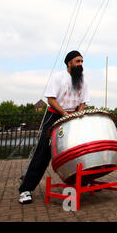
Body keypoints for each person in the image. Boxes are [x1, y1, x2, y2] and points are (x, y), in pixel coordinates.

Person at [18, 50, 90, 204]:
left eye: (82, 61)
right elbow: (51, 99)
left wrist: (77, 114)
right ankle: (26, 189)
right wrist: (64, 113)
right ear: (69, 62)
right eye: (77, 61)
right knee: (43, 153)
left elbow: (83, 101)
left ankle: (82, 181)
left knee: (78, 150)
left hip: (72, 116)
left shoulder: (82, 79)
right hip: (55, 115)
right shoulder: (59, 77)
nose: (80, 64)